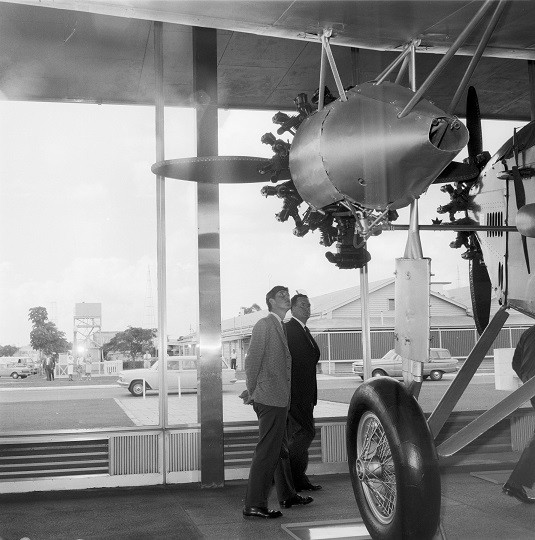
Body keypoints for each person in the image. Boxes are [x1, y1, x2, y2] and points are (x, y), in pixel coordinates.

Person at [243, 285, 313, 519]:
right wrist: (254, 391)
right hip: (269, 399)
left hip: (280, 399)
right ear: (271, 302)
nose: (286, 297)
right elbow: (252, 361)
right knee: (267, 453)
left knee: (280, 451)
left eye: (287, 294)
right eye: (281, 295)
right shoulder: (264, 324)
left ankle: (287, 495)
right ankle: (254, 504)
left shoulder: (281, 326)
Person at [285, 293, 323, 492]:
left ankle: (297, 479)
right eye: (302, 305)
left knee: (300, 435)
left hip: (307, 394)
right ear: (292, 309)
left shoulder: (304, 330)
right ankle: (287, 476)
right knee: (305, 433)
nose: (307, 308)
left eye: (308, 305)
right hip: (295, 394)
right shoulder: (289, 330)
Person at [503, 325, 535, 504]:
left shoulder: (529, 332)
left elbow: (516, 363)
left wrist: (527, 379)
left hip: (531, 387)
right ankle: (515, 482)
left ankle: (515, 483)